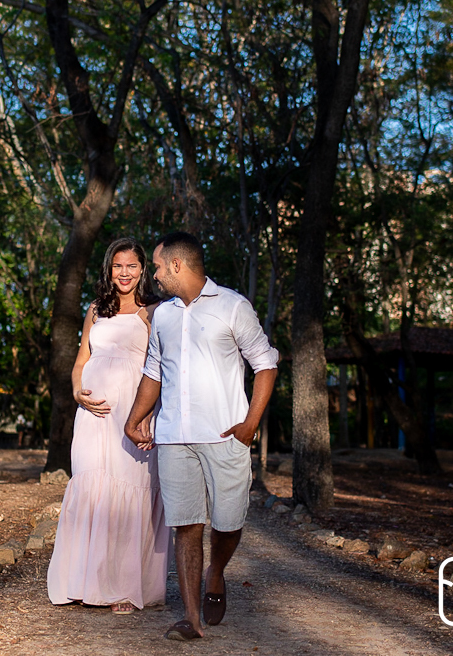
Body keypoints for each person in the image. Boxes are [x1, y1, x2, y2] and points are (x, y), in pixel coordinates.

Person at [123, 231, 278, 641]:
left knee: (227, 523)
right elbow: (154, 372)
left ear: (177, 265)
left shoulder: (232, 306)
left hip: (225, 435)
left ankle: (217, 571)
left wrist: (249, 424)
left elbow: (265, 364)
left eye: (156, 266)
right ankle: (191, 619)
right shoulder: (164, 315)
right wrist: (134, 418)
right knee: (186, 525)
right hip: (174, 436)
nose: (153, 274)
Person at [47, 237, 171, 614]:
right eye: (118, 266)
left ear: (142, 269)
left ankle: (123, 588)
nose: (124, 273)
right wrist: (76, 392)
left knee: (128, 494)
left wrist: (149, 414)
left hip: (131, 417)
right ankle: (83, 582)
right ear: (109, 269)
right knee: (89, 486)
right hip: (92, 417)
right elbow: (82, 358)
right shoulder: (95, 310)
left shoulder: (154, 311)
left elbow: (162, 368)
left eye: (132, 266)